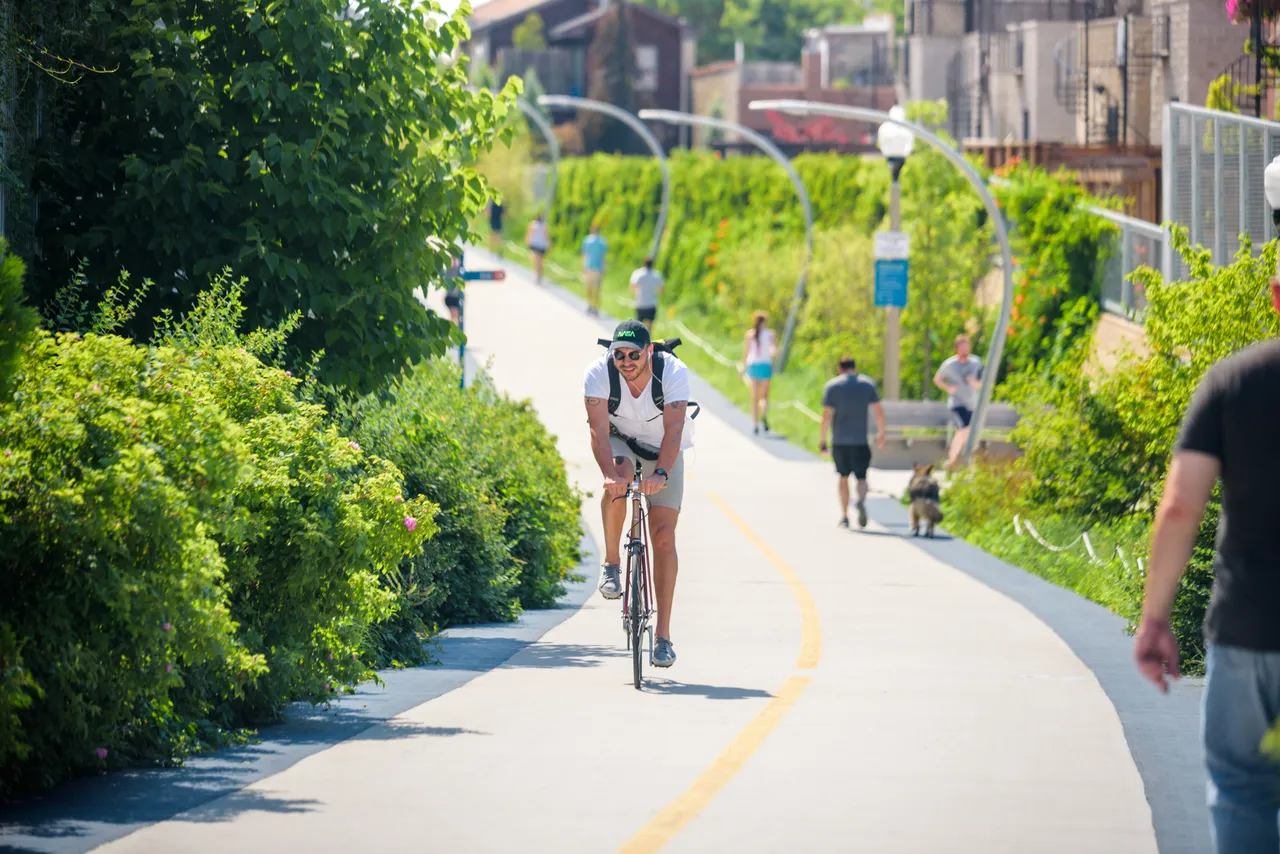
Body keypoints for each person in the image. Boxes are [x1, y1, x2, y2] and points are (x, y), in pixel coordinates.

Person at [1133, 278, 1280, 853]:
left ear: (1273, 294)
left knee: (1242, 791)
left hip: (1246, 632)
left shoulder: (1233, 381)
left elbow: (1178, 508)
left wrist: (1154, 620)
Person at [584, 320, 692, 668]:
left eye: (633, 354)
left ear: (649, 351)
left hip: (664, 447)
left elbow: (674, 430)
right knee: (620, 475)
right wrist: (608, 475)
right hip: (621, 441)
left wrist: (661, 472)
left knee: (662, 535)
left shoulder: (672, 372)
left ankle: (663, 636)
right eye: (619, 354)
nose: (626, 361)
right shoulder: (598, 374)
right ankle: (612, 564)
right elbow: (599, 432)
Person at [819, 356, 886, 529]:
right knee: (862, 477)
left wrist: (822, 439)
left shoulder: (832, 386)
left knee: (843, 477)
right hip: (860, 441)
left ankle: (844, 515)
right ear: (854, 368)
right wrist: (881, 433)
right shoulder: (867, 384)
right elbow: (879, 411)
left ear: (840, 369)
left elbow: (826, 416)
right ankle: (861, 500)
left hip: (840, 441)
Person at [933, 334, 984, 469]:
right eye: (962, 347)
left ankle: (956, 461)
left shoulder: (976, 362)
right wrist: (948, 388)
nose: (965, 349)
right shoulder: (949, 364)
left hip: (972, 404)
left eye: (966, 346)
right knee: (963, 429)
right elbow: (937, 379)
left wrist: (974, 382)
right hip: (957, 404)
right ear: (957, 348)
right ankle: (957, 460)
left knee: (966, 432)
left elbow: (983, 383)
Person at [741, 311, 777, 435]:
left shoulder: (750, 334)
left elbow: (746, 354)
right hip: (765, 366)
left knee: (754, 397)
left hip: (753, 365)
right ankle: (764, 415)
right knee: (764, 397)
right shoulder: (771, 334)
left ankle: (755, 424)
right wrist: (774, 353)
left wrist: (742, 370)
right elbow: (773, 350)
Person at [630, 257, 663, 331]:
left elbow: (632, 285)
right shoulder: (656, 275)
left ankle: (640, 340)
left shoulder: (638, 274)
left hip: (640, 303)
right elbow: (661, 290)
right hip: (651, 303)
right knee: (650, 325)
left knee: (639, 325)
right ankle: (648, 340)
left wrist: (636, 293)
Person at [581, 225, 607, 317]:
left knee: (589, 288)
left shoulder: (587, 240)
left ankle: (589, 305)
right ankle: (595, 307)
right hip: (598, 268)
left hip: (589, 267)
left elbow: (584, 255)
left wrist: (583, 267)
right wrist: (604, 268)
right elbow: (604, 257)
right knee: (597, 289)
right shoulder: (602, 241)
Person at [526, 213, 550, 284]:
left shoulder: (532, 224)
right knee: (540, 261)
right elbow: (547, 237)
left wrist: (527, 242)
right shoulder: (545, 225)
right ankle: (539, 275)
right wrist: (549, 245)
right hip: (542, 245)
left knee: (536, 261)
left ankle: (537, 274)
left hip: (535, 245)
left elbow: (529, 234)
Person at [443, 255, 464, 326]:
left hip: (453, 297)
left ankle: (452, 331)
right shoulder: (456, 270)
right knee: (454, 318)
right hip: (452, 297)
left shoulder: (450, 269)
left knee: (454, 317)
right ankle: (452, 331)